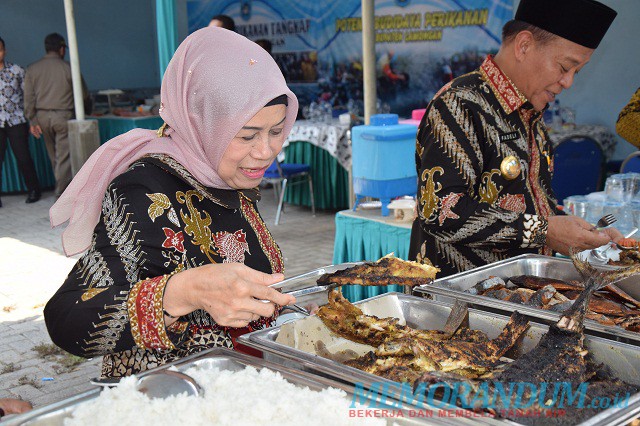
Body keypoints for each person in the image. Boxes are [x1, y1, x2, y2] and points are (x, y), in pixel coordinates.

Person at [44, 28, 297, 378]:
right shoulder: (146, 190)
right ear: (202, 124)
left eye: (277, 131)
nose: (266, 151)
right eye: (248, 135)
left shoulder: (224, 176)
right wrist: (181, 292)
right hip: (170, 398)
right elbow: (67, 318)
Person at [409, 0, 622, 277]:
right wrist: (543, 231)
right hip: (455, 297)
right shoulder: (460, 104)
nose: (568, 82)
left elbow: (527, 204)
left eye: (576, 72)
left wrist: (581, 234)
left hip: (512, 294)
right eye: (564, 67)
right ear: (524, 45)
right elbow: (441, 213)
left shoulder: (531, 115)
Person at [24, 33, 90, 197]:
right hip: (63, 116)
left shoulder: (32, 69)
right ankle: (61, 194)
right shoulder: (68, 68)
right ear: (61, 49)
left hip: (42, 117)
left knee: (54, 156)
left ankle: (61, 188)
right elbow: (83, 95)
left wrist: (32, 120)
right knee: (63, 157)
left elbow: (29, 97)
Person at [0, 36, 41, 206]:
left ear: (4, 50)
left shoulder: (16, 71)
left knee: (23, 157)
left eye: (0, 49)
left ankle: (34, 190)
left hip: (16, 121)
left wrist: (33, 120)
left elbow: (28, 97)